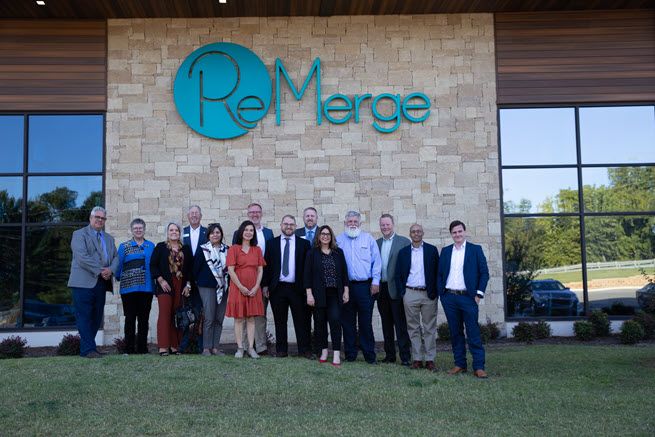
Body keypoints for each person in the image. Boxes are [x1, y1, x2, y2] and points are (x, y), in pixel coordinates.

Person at [437, 220, 490, 378]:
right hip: (450, 298)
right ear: (451, 234)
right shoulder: (446, 251)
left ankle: (479, 367)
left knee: (473, 332)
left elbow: (484, 273)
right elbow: (440, 274)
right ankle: (460, 364)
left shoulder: (475, 250)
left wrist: (479, 294)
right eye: (454, 232)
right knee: (455, 333)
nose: (457, 234)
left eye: (460, 231)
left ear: (464, 232)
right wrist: (442, 294)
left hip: (468, 298)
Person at [68, 206, 119, 358]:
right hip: (82, 283)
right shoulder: (79, 235)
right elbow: (82, 257)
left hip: (101, 283)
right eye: (97, 217)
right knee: (84, 315)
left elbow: (116, 257)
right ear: (90, 218)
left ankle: (90, 347)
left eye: (102, 218)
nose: (99, 220)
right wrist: (101, 270)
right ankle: (88, 349)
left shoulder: (109, 238)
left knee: (96, 317)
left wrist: (111, 270)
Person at [335, 210, 382, 364]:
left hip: (364, 287)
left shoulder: (368, 239)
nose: (353, 224)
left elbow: (377, 262)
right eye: (350, 222)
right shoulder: (338, 241)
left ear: (360, 224)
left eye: (355, 222)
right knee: (347, 322)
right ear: (345, 223)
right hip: (345, 288)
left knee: (365, 322)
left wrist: (376, 281)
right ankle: (350, 354)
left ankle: (369, 355)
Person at [263, 215, 311, 358]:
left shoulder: (304, 244)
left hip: (297, 288)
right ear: (281, 225)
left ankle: (304, 350)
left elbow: (307, 269)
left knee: (301, 320)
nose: (288, 226)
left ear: (295, 226)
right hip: (278, 288)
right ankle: (281, 350)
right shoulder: (271, 243)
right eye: (286, 224)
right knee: (280, 320)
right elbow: (267, 266)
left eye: (291, 224)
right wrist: (265, 285)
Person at [395, 224, 439, 371]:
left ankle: (430, 359)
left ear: (423, 233)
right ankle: (417, 359)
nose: (416, 234)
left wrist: (436, 291)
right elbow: (398, 274)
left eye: (419, 231)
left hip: (428, 294)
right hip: (410, 293)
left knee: (429, 327)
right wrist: (403, 293)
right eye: (413, 232)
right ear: (410, 234)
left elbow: (438, 272)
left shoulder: (432, 251)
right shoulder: (403, 253)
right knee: (413, 328)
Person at [304, 225, 349, 367]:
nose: (325, 236)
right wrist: (309, 294)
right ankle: (323, 351)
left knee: (335, 321)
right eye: (322, 234)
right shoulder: (312, 253)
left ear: (331, 236)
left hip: (334, 294)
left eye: (328, 234)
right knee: (320, 323)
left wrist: (346, 291)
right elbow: (307, 276)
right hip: (318, 295)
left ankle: (336, 352)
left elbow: (344, 274)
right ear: (318, 236)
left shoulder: (338, 253)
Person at [232, 203, 274, 355]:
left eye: (257, 212)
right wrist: (240, 285)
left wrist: (264, 284)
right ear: (247, 214)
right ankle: (242, 347)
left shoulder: (268, 233)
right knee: (242, 315)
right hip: (241, 283)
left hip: (261, 281)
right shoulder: (237, 237)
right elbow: (233, 263)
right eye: (252, 212)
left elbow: (270, 259)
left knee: (259, 315)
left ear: (261, 214)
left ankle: (261, 346)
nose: (255, 214)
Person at [150, 222, 193, 356]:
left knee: (177, 315)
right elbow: (153, 265)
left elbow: (190, 270)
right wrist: (160, 280)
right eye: (171, 230)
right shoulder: (161, 247)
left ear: (180, 233)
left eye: (176, 230)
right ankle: (163, 346)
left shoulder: (185, 249)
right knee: (165, 314)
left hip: (180, 285)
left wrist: (188, 285)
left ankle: (175, 346)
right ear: (167, 232)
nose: (174, 232)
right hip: (165, 285)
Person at [226, 220, 266, 359]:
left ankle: (250, 348)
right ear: (241, 232)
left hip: (254, 289)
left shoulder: (257, 250)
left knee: (251, 319)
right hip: (238, 288)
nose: (249, 232)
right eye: (246, 230)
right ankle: (240, 348)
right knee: (238, 319)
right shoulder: (234, 249)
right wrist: (241, 287)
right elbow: (231, 270)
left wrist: (256, 287)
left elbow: (260, 270)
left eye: (251, 230)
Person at [115, 218, 155, 354]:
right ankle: (129, 349)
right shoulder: (124, 246)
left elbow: (154, 266)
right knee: (130, 319)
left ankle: (142, 349)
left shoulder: (151, 246)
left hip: (147, 288)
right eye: (135, 228)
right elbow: (118, 265)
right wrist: (118, 277)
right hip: (128, 289)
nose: (138, 230)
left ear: (144, 229)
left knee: (144, 320)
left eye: (140, 228)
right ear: (131, 230)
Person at [376, 213, 411, 365]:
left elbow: (409, 266)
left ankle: (405, 357)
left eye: (387, 224)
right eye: (382, 225)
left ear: (393, 224)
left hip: (396, 288)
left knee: (400, 324)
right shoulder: (376, 243)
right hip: (381, 288)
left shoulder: (404, 242)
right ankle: (389, 355)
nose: (385, 227)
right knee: (386, 323)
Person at [193, 222, 229, 356]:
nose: (215, 235)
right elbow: (195, 269)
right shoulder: (203, 249)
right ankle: (206, 347)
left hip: (223, 288)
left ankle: (215, 347)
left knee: (219, 318)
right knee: (209, 317)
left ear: (221, 234)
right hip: (206, 286)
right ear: (208, 235)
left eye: (218, 232)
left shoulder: (227, 249)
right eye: (213, 232)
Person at [181, 205, 207, 353]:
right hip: (185, 280)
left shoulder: (206, 232)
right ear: (188, 216)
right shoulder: (182, 233)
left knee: (200, 313)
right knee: (184, 313)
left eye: (197, 213)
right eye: (192, 213)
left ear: (201, 216)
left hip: (202, 280)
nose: (194, 215)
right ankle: (183, 345)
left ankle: (201, 346)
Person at [294, 206, 319, 355]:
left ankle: (318, 347)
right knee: (303, 318)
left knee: (319, 318)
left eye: (312, 216)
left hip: (318, 283)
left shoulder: (323, 233)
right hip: (301, 282)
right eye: (307, 216)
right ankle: (305, 348)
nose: (310, 218)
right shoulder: (297, 234)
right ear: (303, 218)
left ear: (316, 218)